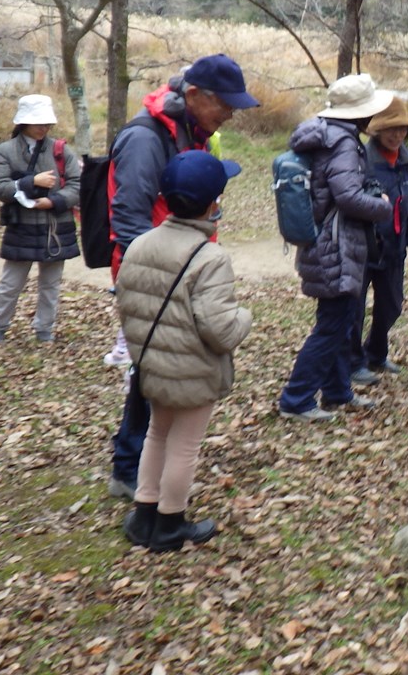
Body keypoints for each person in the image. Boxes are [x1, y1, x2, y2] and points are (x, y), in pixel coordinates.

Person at [106, 54, 260, 501]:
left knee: (163, 370)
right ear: (194, 95)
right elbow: (128, 216)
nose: (229, 114)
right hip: (155, 277)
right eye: (224, 104)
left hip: (180, 271)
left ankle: (143, 466)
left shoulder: (191, 131)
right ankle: (130, 468)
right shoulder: (145, 138)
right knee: (152, 370)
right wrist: (165, 271)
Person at [116, 150, 252, 553]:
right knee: (185, 444)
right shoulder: (209, 257)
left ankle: (144, 515)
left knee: (157, 433)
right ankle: (170, 523)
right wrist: (244, 317)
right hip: (193, 371)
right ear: (213, 204)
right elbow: (221, 330)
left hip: (151, 365)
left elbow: (129, 306)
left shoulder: (140, 244)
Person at [278, 73, 395, 422]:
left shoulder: (328, 136)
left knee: (341, 323)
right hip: (337, 246)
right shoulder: (342, 143)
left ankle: (337, 391)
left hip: (328, 243)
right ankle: (296, 398)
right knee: (333, 326)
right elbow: (348, 197)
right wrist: (383, 206)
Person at [0, 94, 81, 344]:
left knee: (51, 285)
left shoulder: (61, 150)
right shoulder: (6, 150)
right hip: (21, 225)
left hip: (55, 227)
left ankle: (44, 329)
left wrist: (54, 201)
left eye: (46, 123)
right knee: (11, 283)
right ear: (24, 122)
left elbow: (77, 185)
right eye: (38, 123)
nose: (43, 128)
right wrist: (30, 183)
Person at [348, 96, 408, 386]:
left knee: (391, 305)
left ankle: (376, 354)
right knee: (354, 309)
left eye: (402, 129)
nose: (397, 135)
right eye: (391, 129)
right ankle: (353, 363)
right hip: (364, 248)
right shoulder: (363, 160)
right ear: (377, 130)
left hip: (394, 248)